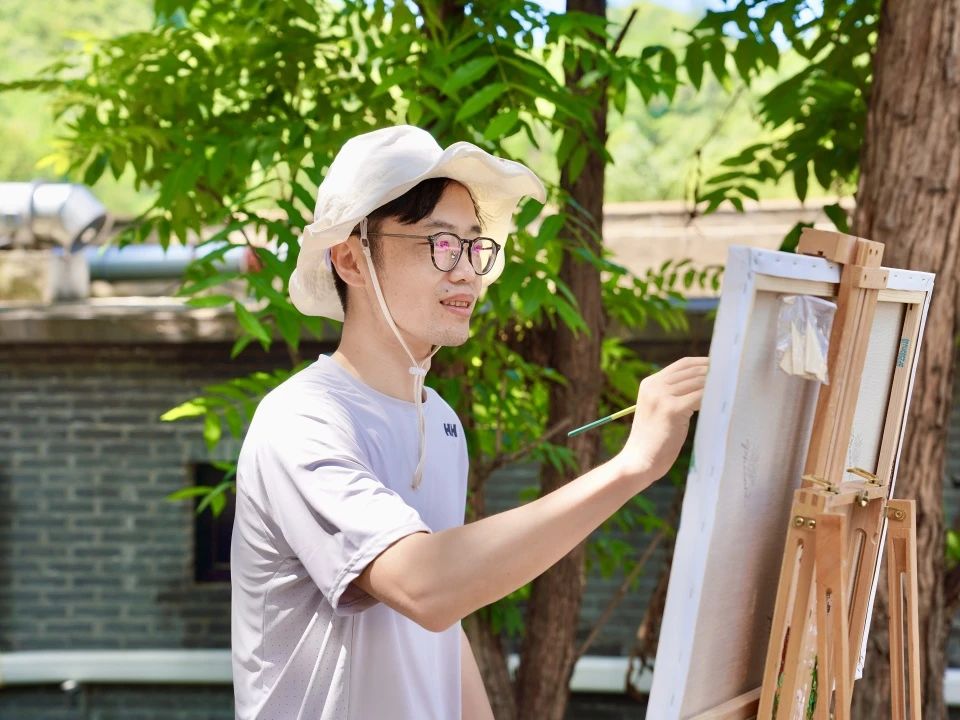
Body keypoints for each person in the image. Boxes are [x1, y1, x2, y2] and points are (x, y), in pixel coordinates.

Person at [230, 125, 708, 720]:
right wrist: (632, 466)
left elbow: (441, 623)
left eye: (474, 246)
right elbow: (424, 587)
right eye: (439, 243)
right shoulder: (303, 420)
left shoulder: (441, 421)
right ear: (351, 258)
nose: (466, 273)